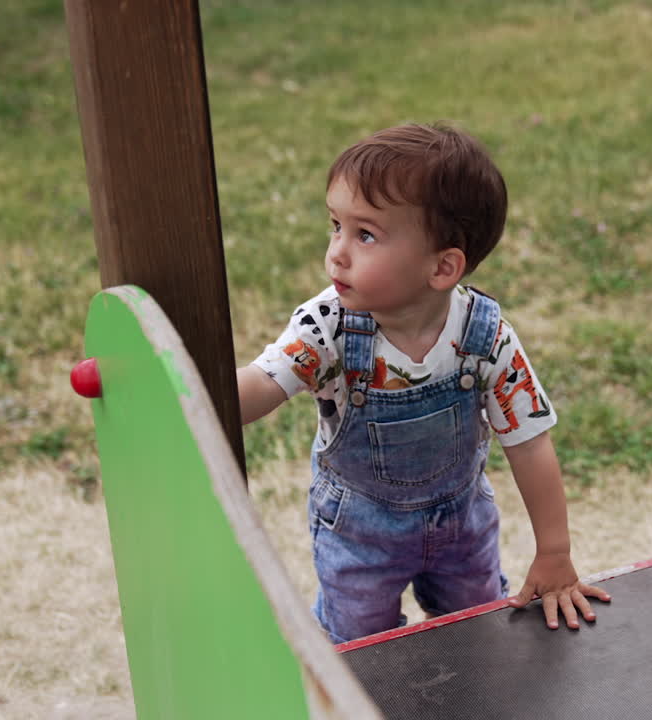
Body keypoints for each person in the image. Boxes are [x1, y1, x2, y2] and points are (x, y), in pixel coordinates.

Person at [237, 124, 611, 644]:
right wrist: (183, 392)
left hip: (461, 524)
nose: (337, 253)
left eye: (364, 234)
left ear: (443, 267)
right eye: (335, 226)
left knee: (478, 637)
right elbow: (261, 386)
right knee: (361, 652)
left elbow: (528, 443)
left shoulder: (485, 336)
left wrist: (554, 552)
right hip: (359, 534)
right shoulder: (328, 326)